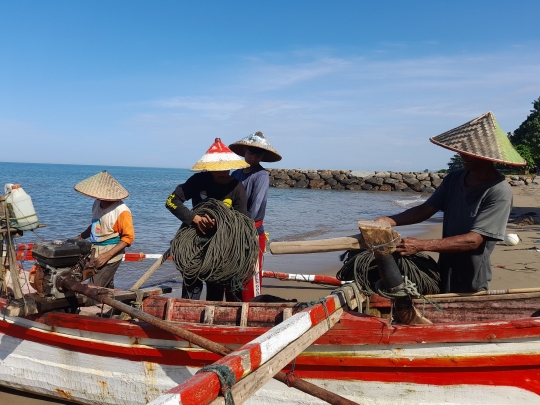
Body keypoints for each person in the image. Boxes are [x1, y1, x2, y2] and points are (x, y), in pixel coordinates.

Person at [375, 112, 526, 293]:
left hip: (472, 276)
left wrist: (420, 245)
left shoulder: (498, 191)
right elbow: (425, 209)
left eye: (471, 153)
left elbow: (473, 240)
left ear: (489, 158)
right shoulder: (454, 179)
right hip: (444, 267)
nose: (463, 155)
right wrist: (388, 221)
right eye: (463, 150)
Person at [166, 137, 250, 300]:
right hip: (195, 243)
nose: (223, 173)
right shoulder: (198, 181)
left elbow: (243, 221)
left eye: (226, 169)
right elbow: (171, 201)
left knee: (216, 288)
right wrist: (194, 218)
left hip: (222, 246)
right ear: (209, 168)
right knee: (191, 285)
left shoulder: (237, 188)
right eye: (217, 169)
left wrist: (220, 225)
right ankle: (188, 314)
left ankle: (211, 317)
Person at [229, 131, 282, 301]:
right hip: (233, 230)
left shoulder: (261, 176)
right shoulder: (236, 174)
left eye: (259, 153)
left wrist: (242, 227)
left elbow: (256, 204)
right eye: (251, 151)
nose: (254, 156)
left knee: (249, 277)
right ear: (245, 150)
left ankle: (250, 309)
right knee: (231, 273)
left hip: (252, 231)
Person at [75, 170, 135, 289]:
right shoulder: (97, 203)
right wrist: (80, 238)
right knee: (100, 283)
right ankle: (114, 305)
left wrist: (107, 255)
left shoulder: (121, 211)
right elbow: (96, 225)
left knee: (93, 287)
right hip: (95, 250)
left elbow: (128, 238)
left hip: (111, 253)